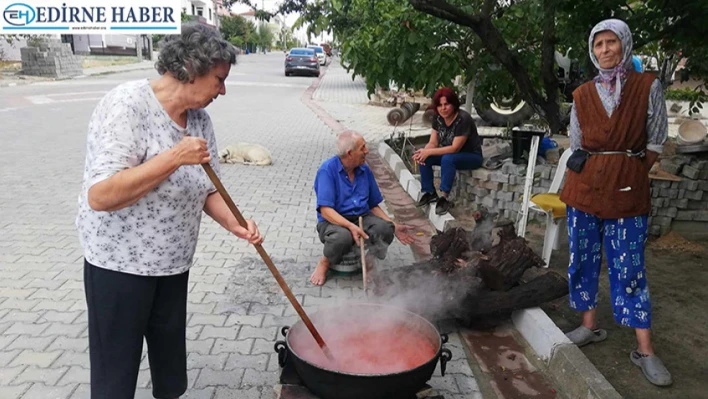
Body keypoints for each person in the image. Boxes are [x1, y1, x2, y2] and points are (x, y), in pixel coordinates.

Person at [76, 23, 264, 399]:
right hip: (119, 267)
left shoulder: (199, 120)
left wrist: (237, 224)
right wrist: (174, 157)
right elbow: (101, 194)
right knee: (115, 377)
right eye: (219, 79)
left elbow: (208, 188)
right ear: (192, 70)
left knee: (170, 373)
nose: (222, 90)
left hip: (173, 265)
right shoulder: (128, 105)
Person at [559, 19, 671, 386]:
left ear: (625, 44)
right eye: (598, 44)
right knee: (583, 259)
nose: (605, 50)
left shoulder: (646, 86)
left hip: (627, 192)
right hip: (584, 190)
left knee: (630, 267)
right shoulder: (581, 94)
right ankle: (589, 326)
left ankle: (645, 351)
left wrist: (628, 169)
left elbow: (656, 141)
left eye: (611, 42)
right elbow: (576, 144)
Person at [310, 131, 415, 286]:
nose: (367, 151)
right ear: (350, 153)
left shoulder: (364, 170)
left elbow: (373, 205)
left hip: (362, 216)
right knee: (342, 237)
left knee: (385, 229)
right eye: (363, 148)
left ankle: (369, 260)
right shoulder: (327, 170)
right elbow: (326, 210)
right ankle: (325, 262)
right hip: (333, 221)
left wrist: (393, 225)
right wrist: (350, 226)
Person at [413, 88, 483, 215]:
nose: (443, 108)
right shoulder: (437, 118)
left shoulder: (463, 119)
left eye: (446, 104)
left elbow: (455, 148)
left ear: (454, 104)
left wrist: (429, 152)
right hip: (449, 155)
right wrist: (423, 152)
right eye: (440, 105)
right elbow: (433, 142)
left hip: (471, 155)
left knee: (447, 158)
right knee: (425, 157)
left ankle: (444, 197)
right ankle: (429, 192)